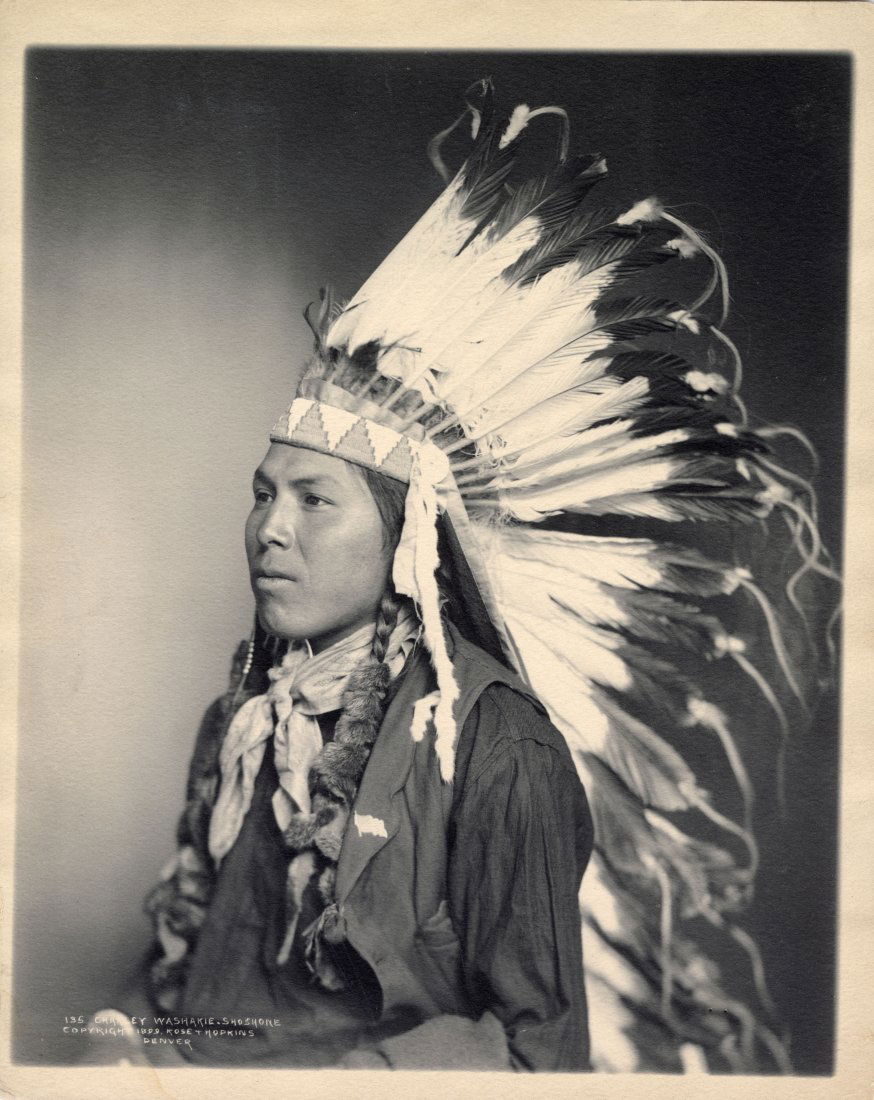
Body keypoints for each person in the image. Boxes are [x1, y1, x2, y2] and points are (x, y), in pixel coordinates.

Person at [117, 81, 831, 1073]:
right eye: (261, 492)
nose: (267, 530)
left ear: (409, 537)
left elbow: (542, 1055)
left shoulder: (499, 754)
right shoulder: (242, 726)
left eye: (314, 500)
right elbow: (211, 997)